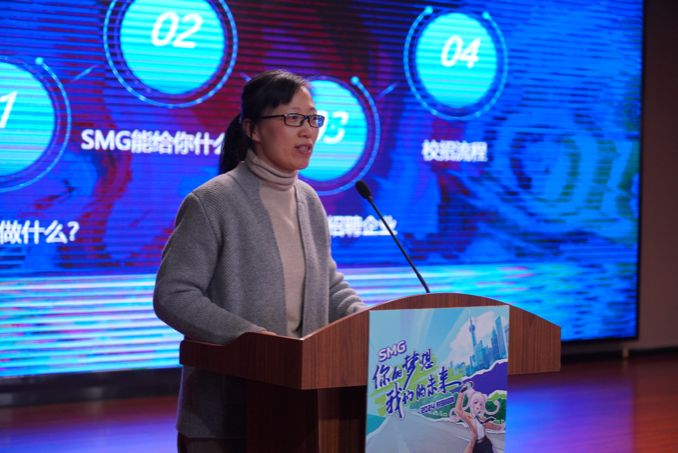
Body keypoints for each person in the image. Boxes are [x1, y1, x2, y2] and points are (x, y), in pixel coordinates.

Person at [153, 69, 366, 452]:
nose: (308, 132)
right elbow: (174, 295)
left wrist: (366, 322)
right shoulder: (212, 201)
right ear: (252, 129)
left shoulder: (309, 201)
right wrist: (253, 340)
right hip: (225, 416)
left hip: (301, 406)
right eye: (293, 118)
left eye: (313, 119)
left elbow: (327, 282)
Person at [452, 382, 505, 453]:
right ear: (471, 404)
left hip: (485, 443)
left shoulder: (481, 418)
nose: (478, 406)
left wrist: (502, 427)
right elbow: (458, 410)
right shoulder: (469, 417)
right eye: (475, 402)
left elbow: (491, 426)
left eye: (481, 404)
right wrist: (461, 394)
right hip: (475, 445)